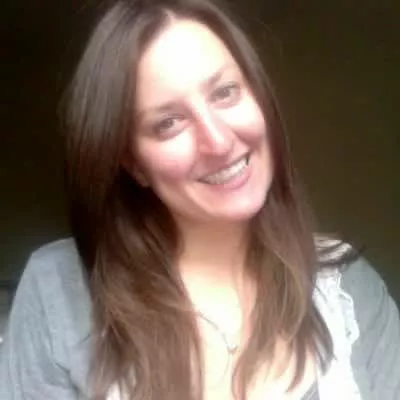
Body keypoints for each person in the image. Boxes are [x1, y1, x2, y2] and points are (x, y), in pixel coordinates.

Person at [1, 0, 399, 399]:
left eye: (225, 92)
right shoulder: (57, 290)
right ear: (134, 164)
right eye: (168, 123)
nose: (219, 141)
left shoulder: (347, 289)